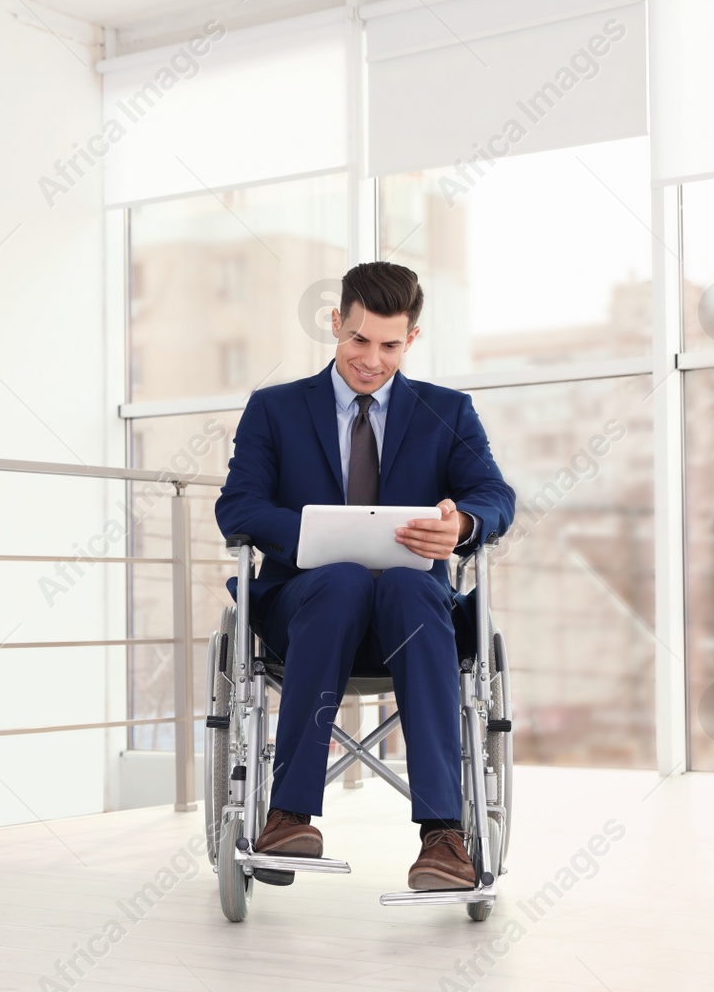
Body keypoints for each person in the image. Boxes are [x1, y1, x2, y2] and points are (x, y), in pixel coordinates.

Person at [214, 261, 516, 890]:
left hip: (409, 620)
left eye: (389, 344)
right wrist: (318, 536)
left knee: (411, 585)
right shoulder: (275, 410)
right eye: (358, 340)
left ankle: (444, 836)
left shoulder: (447, 412)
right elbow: (237, 506)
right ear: (335, 324)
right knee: (343, 579)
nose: (371, 360)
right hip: (307, 610)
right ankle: (287, 815)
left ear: (411, 339)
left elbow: (495, 494)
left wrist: (460, 525)